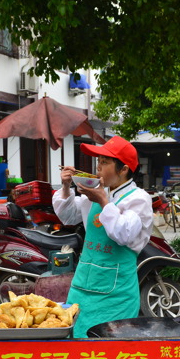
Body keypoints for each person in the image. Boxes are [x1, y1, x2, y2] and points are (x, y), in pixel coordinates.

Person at [53, 136, 153, 337]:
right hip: (82, 287)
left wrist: (104, 202)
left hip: (115, 294)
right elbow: (67, 216)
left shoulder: (138, 199)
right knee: (77, 344)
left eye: (105, 162)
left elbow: (123, 234)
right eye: (98, 161)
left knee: (108, 349)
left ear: (123, 169)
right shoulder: (96, 193)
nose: (98, 167)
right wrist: (66, 187)